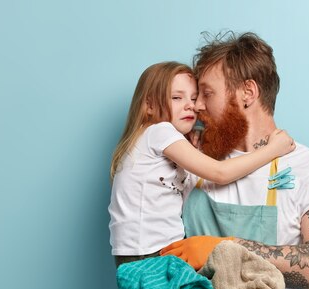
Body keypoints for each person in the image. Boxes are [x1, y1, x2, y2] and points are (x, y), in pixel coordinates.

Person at [161, 32, 309, 289]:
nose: (197, 106)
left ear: (248, 92)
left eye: (207, 93)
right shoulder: (187, 156)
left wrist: (221, 248)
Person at [109, 61, 295, 267]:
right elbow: (219, 173)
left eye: (194, 97)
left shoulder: (148, 139)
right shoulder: (159, 131)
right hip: (149, 255)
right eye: (177, 98)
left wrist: (195, 147)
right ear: (150, 106)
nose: (192, 105)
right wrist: (273, 149)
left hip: (140, 254)